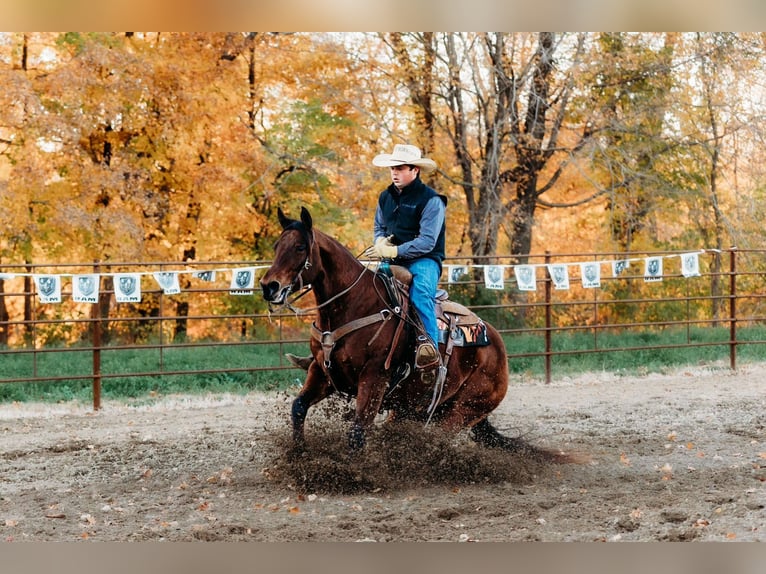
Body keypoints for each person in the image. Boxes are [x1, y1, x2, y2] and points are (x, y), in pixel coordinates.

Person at [368, 143, 447, 374]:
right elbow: (379, 226)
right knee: (367, 289)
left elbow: (427, 241)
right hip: (394, 260)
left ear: (415, 170)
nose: (394, 172)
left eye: (401, 168)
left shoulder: (432, 200)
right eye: (393, 168)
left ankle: (429, 349)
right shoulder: (385, 197)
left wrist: (394, 251)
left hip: (425, 259)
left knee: (421, 291)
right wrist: (380, 242)